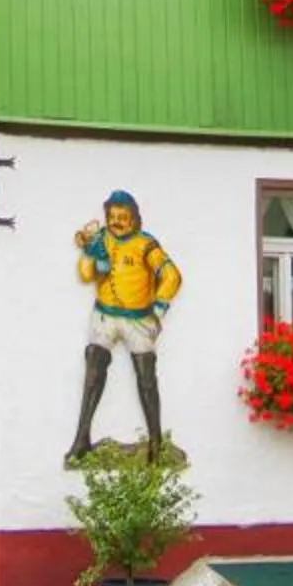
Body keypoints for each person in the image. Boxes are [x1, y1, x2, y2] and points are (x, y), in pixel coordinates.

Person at [67, 190, 180, 464]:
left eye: (123, 217)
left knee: (146, 377)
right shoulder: (101, 239)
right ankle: (82, 438)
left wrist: (158, 308)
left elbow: (171, 275)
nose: (117, 222)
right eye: (113, 216)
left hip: (137, 319)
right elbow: (85, 275)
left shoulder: (145, 244)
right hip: (105, 315)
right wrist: (91, 254)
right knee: (94, 366)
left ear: (134, 219)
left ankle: (155, 442)